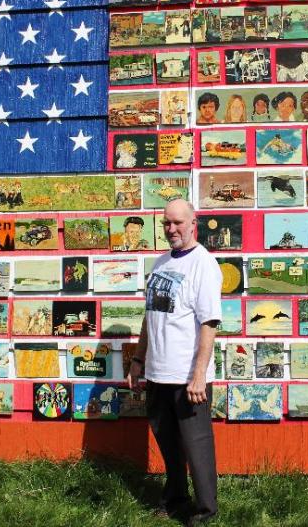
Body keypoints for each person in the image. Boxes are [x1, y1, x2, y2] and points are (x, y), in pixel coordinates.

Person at [128, 199, 221, 525]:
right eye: (167, 223)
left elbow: (209, 323)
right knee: (168, 443)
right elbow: (150, 315)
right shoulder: (160, 262)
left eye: (178, 223)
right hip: (158, 371)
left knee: (196, 447)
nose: (171, 229)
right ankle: (176, 498)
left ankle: (206, 509)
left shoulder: (204, 264)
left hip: (186, 376)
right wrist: (139, 358)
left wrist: (199, 375)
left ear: (193, 223)